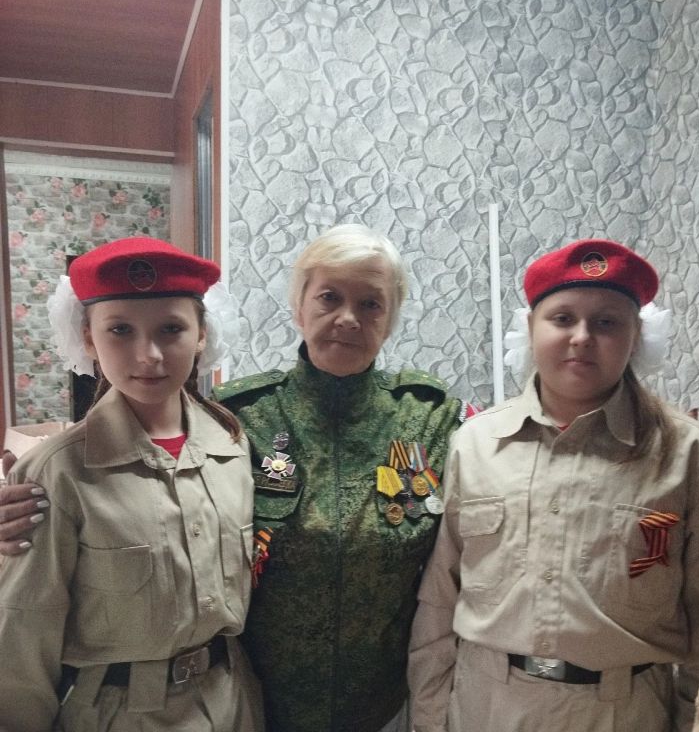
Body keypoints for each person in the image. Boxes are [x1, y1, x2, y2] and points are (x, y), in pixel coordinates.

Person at [0, 224, 472, 732]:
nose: (347, 318)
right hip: (256, 702)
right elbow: (25, 623)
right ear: (298, 306)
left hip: (360, 704)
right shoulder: (242, 419)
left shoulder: (430, 418)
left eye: (371, 304)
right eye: (329, 297)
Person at [408, 239, 699, 732]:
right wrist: (429, 718)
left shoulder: (684, 452)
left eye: (607, 322)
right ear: (530, 329)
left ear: (636, 337)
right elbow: (440, 598)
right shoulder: (476, 442)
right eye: (562, 318)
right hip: (488, 705)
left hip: (625, 713)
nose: (582, 337)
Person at [0, 238, 263, 732]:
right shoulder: (58, 471)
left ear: (201, 334)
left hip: (231, 704)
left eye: (171, 328)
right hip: (117, 714)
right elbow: (23, 632)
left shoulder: (232, 449)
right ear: (89, 338)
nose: (149, 354)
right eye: (120, 330)